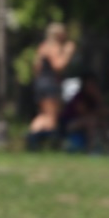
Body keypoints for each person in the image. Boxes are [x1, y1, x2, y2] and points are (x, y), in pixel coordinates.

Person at [27, 22, 75, 150]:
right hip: (50, 85)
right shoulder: (53, 47)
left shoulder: (43, 46)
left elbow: (36, 67)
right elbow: (58, 66)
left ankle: (31, 140)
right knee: (52, 118)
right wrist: (68, 52)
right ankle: (43, 143)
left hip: (40, 84)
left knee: (43, 115)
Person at [59, 73, 109, 153]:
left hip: (82, 122)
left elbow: (105, 112)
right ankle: (91, 149)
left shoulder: (94, 98)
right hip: (68, 123)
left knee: (103, 122)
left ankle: (107, 147)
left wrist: (98, 98)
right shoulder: (80, 97)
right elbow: (84, 113)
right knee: (91, 121)